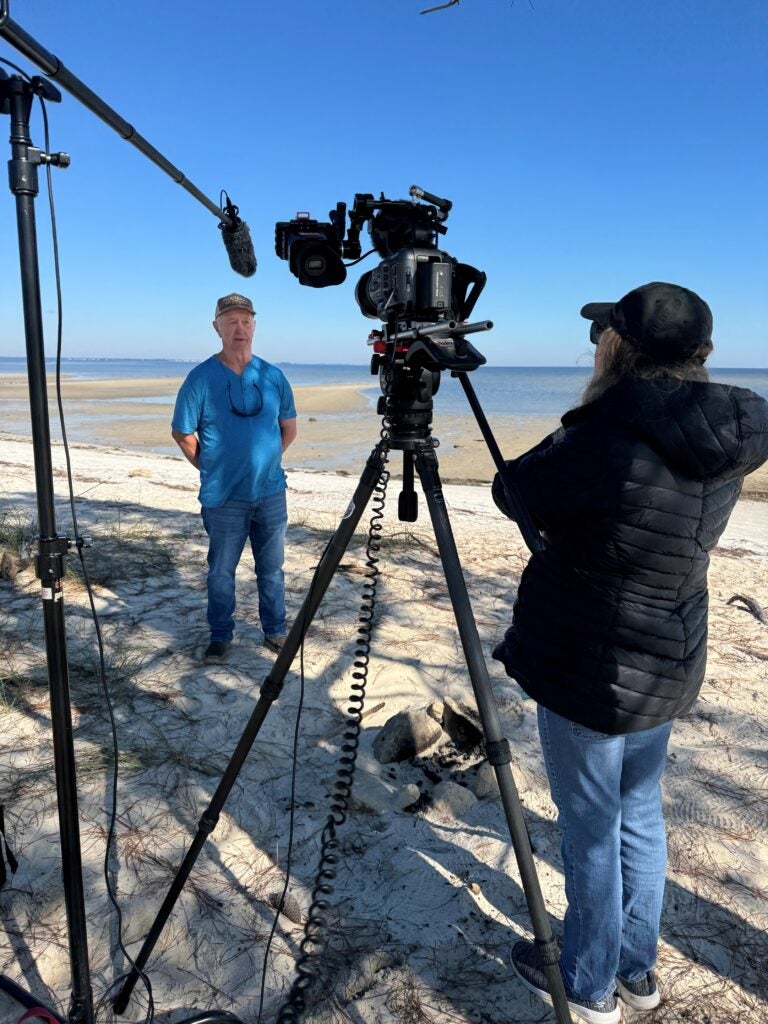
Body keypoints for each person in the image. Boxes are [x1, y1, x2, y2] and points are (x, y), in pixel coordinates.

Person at [491, 282, 768, 1024]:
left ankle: (588, 986)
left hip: (593, 666)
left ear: (619, 348)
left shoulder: (604, 437)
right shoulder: (728, 431)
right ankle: (637, 973)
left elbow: (512, 490)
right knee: (638, 814)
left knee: (592, 831)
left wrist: (578, 424)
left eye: (602, 337)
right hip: (668, 659)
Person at [172, 293, 297, 662]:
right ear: (217, 327)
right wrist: (210, 468)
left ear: (254, 326)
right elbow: (182, 433)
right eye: (231, 321)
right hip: (223, 497)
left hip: (271, 494)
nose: (239, 328)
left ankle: (274, 631)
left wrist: (266, 463)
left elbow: (288, 429)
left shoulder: (273, 376)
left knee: (272, 570)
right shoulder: (200, 378)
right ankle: (221, 635)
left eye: (245, 321)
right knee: (221, 572)